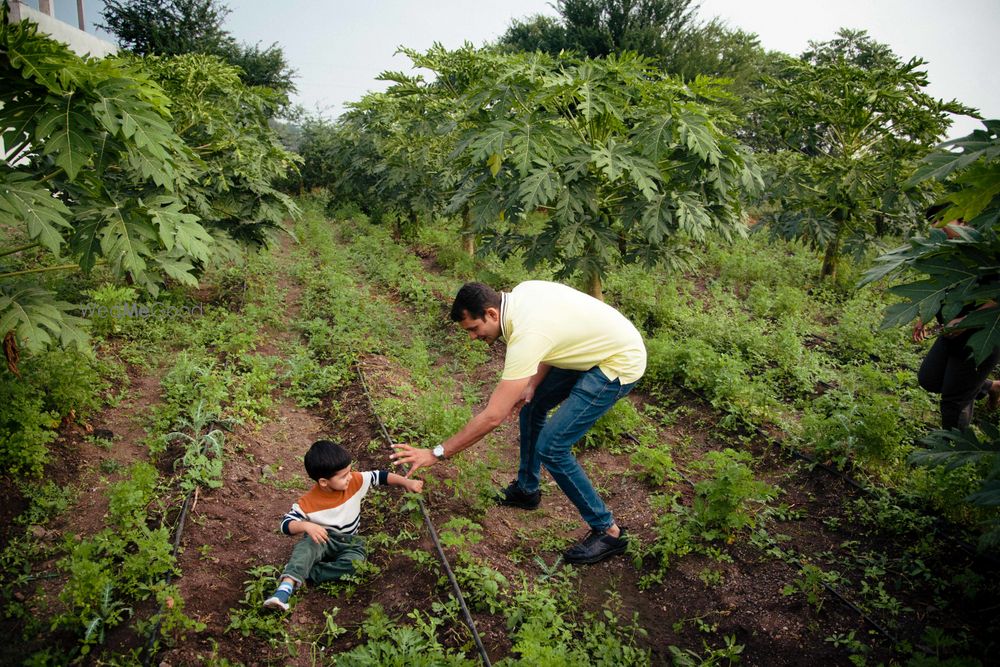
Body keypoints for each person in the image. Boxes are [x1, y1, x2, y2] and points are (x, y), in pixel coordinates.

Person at [391, 281, 646, 565]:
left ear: (491, 313)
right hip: (592, 348)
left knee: (552, 446)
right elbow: (555, 336)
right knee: (531, 405)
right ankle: (526, 490)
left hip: (618, 361)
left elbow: (493, 416)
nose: (473, 338)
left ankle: (608, 530)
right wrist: (532, 384)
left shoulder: (526, 334)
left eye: (474, 329)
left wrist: (436, 453)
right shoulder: (520, 295)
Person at [263, 440, 423, 611]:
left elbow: (380, 476)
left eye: (349, 471)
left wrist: (406, 483)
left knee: (355, 565)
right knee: (308, 545)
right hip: (323, 539)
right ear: (324, 482)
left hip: (350, 542)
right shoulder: (309, 502)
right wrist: (306, 526)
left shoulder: (354, 481)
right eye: (343, 475)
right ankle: (283, 590)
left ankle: (303, 572)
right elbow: (285, 524)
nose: (350, 476)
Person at [914, 220, 1000, 429]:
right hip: (952, 330)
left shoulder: (987, 249)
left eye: (943, 220)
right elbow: (941, 287)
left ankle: (954, 450)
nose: (936, 225)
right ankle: (991, 387)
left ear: (964, 222)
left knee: (954, 402)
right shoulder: (947, 250)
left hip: (984, 334)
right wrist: (925, 314)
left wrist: (968, 320)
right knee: (929, 379)